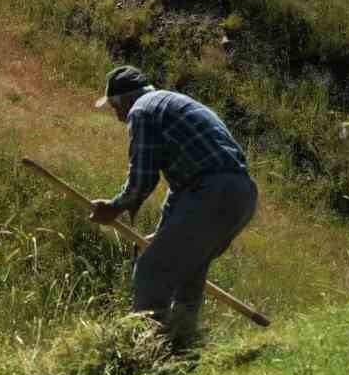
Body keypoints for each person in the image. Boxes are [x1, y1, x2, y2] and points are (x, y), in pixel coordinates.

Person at [88, 66, 258, 346]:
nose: (117, 116)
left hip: (212, 193)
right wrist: (162, 233)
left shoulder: (141, 111)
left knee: (151, 271)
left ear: (122, 101)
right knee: (188, 272)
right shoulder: (171, 103)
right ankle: (181, 346)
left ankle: (143, 351)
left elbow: (142, 177)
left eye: (114, 108)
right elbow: (181, 189)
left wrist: (115, 207)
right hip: (240, 195)